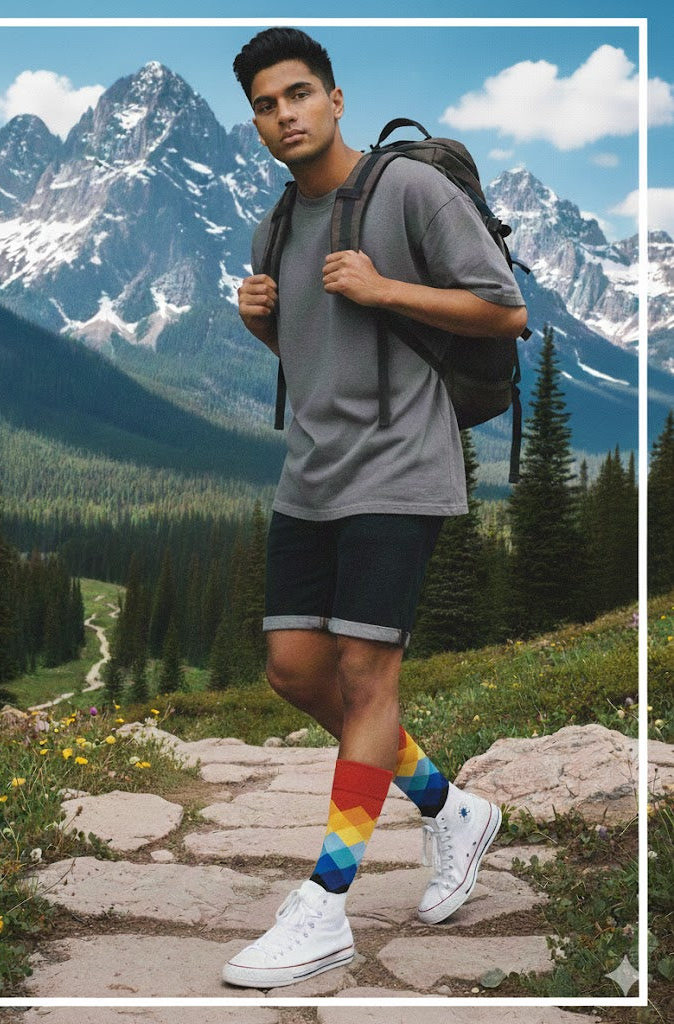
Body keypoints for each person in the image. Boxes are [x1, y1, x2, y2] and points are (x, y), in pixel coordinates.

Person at [223, 27, 528, 990]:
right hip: (312, 473)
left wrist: (383, 283)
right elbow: (317, 359)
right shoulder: (275, 222)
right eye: (267, 105)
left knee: (365, 675)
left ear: (336, 97)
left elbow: (503, 308)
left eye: (299, 93)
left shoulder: (408, 190)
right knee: (293, 670)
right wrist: (265, 326)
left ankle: (323, 905)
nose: (285, 115)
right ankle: (450, 811)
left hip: (401, 465)